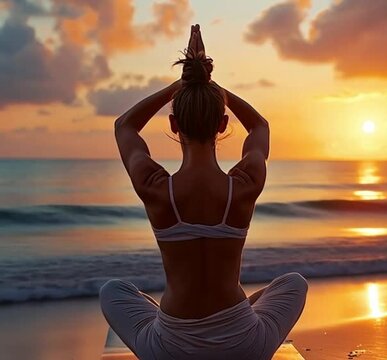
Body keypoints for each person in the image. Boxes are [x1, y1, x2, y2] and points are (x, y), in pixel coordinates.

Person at [99, 24, 308, 360]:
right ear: (223, 124)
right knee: (294, 282)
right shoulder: (243, 184)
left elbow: (124, 126)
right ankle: (240, 315)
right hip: (245, 347)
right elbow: (260, 127)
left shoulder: (155, 187)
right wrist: (208, 83)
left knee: (112, 291)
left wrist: (182, 84)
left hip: (169, 349)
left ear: (173, 124)